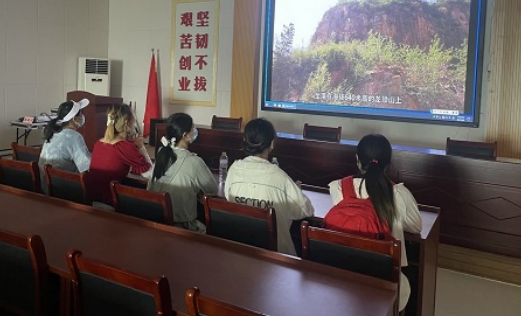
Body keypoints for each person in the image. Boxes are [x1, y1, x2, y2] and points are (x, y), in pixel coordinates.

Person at [326, 133, 422, 312]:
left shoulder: (337, 187)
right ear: (388, 163)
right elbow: (416, 227)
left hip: (340, 275)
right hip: (383, 281)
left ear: (357, 159)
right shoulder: (398, 194)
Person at [224, 118, 314, 255]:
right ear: (272, 143)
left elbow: (228, 196)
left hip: (240, 252)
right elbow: (306, 210)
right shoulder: (279, 177)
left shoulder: (234, 169)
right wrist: (297, 191)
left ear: (245, 140)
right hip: (276, 258)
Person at [147, 113, 217, 232]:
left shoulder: (161, 153)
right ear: (185, 135)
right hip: (183, 227)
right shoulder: (194, 161)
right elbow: (212, 189)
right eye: (193, 128)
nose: (195, 130)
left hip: (157, 222)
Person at [89, 104, 153, 205]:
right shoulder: (123, 147)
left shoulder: (99, 143)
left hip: (93, 199)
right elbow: (149, 173)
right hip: (109, 201)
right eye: (134, 117)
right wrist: (141, 146)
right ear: (127, 123)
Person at [38, 99, 91, 194]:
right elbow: (87, 167)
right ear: (74, 119)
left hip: (45, 188)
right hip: (64, 191)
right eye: (81, 114)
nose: (83, 116)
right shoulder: (75, 137)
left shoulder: (53, 133)